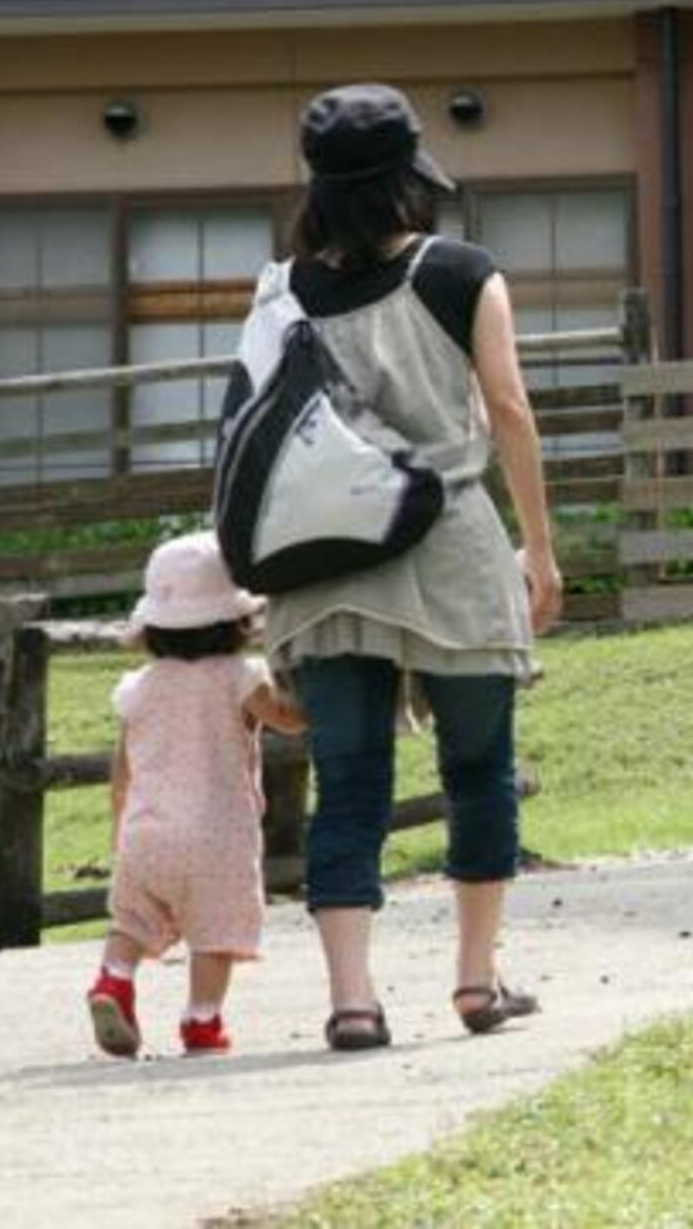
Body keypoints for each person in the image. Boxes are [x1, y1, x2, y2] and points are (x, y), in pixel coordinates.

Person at [263, 84, 563, 1051]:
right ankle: (477, 985)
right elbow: (510, 413)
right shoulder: (463, 272)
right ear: (407, 179)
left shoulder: (284, 288)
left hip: (326, 564)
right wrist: (542, 551)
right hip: (453, 552)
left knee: (349, 783)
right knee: (480, 769)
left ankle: (352, 1002)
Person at [86, 532, 306, 1058]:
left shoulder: (139, 686)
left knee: (131, 922)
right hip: (216, 836)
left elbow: (123, 772)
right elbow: (290, 722)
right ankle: (202, 1020)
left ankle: (114, 979)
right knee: (216, 928)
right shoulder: (239, 676)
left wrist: (121, 829)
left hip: (146, 833)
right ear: (236, 620)